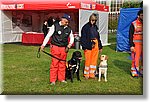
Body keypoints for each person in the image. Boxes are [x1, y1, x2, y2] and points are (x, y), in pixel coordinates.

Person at [40, 14, 74, 85]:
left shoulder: (69, 29)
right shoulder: (54, 26)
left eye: (68, 22)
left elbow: (72, 37)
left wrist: (69, 45)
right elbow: (48, 36)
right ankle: (53, 80)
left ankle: (61, 79)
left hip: (64, 48)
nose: (67, 23)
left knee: (62, 64)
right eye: (66, 22)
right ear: (62, 19)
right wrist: (43, 45)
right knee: (54, 64)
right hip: (55, 47)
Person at [81, 13, 103, 79]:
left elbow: (98, 37)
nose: (92, 22)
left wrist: (100, 46)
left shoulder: (95, 27)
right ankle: (86, 74)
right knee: (88, 60)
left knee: (94, 60)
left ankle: (92, 74)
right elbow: (83, 38)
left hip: (95, 43)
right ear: (89, 19)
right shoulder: (85, 27)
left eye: (94, 20)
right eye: (92, 20)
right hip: (88, 44)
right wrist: (85, 46)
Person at [129, 10, 143, 77]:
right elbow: (130, 35)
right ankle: (134, 71)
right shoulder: (134, 23)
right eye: (142, 15)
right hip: (136, 44)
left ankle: (142, 71)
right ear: (138, 16)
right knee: (135, 58)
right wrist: (131, 45)